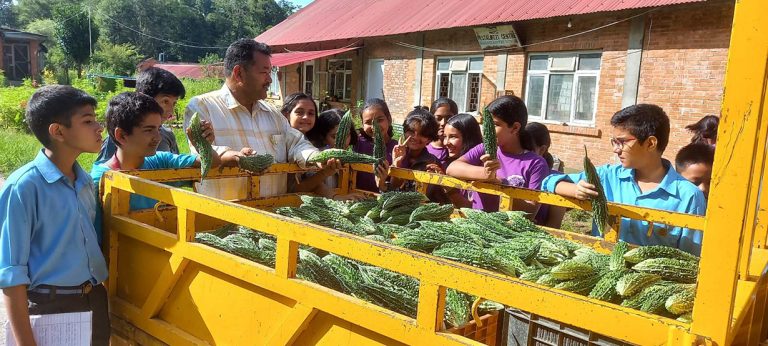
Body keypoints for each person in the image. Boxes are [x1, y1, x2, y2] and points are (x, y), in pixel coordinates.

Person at [0, 85, 110, 345]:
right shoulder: (24, 187)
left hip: (93, 299)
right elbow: (11, 275)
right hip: (51, 307)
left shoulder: (83, 181)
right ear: (58, 131)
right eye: (87, 121)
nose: (98, 127)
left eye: (96, 119)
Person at [183, 39, 338, 200]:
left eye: (270, 72)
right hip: (225, 218)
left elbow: (297, 143)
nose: (270, 80)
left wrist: (316, 157)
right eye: (264, 72)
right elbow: (203, 152)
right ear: (239, 73)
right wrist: (236, 157)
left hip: (273, 216)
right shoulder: (202, 106)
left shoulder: (272, 113)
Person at [542, 104, 707, 255]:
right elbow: (548, 181)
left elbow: (690, 258)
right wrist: (575, 190)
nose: (616, 149)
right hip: (600, 272)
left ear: (650, 143)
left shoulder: (688, 197)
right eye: (614, 142)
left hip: (649, 284)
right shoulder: (607, 176)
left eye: (622, 142)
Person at [91, 92, 227, 212]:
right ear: (121, 135)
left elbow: (213, 162)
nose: (158, 137)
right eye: (149, 130)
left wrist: (201, 143)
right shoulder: (98, 180)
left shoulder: (161, 161)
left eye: (158, 129)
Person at [446, 95, 549, 214]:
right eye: (485, 124)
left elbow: (531, 211)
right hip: (477, 222)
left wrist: (501, 187)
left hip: (506, 229)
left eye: (494, 124)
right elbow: (452, 168)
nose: (486, 130)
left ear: (515, 128)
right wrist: (485, 174)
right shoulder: (484, 148)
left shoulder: (536, 163)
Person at [96, 67, 186, 164]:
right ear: (143, 99)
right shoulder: (123, 136)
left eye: (174, 103)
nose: (171, 111)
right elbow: (105, 174)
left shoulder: (168, 135)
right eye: (165, 101)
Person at [526, 122, 567, 228]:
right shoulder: (516, 173)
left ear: (542, 149)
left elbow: (554, 226)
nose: (523, 154)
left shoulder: (556, 182)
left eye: (528, 150)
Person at [391, 107, 442, 191]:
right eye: (411, 131)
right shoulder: (393, 152)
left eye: (422, 134)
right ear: (404, 131)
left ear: (429, 139)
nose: (415, 137)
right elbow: (392, 188)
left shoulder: (432, 162)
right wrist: (397, 163)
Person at [439, 113, 482, 208]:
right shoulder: (449, 164)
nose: (446, 142)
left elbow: (470, 210)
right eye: (445, 136)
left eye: (453, 137)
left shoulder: (479, 168)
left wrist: (449, 187)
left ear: (469, 137)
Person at [352, 98, 396, 192]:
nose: (374, 126)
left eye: (379, 120)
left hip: (383, 200)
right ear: (362, 124)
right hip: (356, 198)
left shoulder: (397, 149)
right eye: (368, 122)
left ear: (389, 119)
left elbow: (398, 184)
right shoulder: (356, 142)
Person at [428, 97, 458, 167]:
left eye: (449, 118)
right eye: (438, 118)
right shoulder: (421, 145)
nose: (443, 123)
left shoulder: (459, 149)